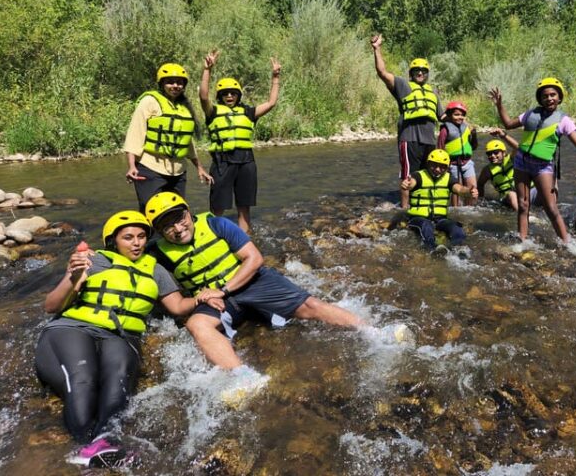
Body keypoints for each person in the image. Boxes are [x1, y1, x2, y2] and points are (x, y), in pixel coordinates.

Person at [34, 211, 217, 468]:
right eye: (128, 237)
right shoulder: (93, 260)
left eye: (141, 236)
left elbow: (177, 306)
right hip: (73, 329)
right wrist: (73, 277)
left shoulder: (155, 269)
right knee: (83, 378)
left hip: (121, 336)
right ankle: (88, 448)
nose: (137, 243)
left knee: (118, 382)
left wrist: (201, 297)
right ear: (114, 241)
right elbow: (52, 305)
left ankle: (102, 444)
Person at [144, 192, 365, 370]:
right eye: (167, 226)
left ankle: (372, 332)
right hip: (213, 300)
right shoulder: (158, 254)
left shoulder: (217, 224)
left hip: (251, 282)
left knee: (310, 306)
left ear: (188, 213)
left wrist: (223, 289)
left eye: (180, 219)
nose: (178, 228)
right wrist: (201, 297)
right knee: (196, 325)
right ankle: (242, 377)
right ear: (159, 231)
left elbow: (254, 258)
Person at [490, 79, 576, 242]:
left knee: (551, 208)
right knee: (523, 205)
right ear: (540, 98)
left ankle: (567, 242)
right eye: (545, 95)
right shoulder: (529, 114)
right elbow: (507, 123)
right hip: (521, 163)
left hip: (542, 167)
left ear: (559, 97)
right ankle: (522, 239)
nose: (549, 98)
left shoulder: (564, 120)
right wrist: (499, 105)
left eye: (553, 95)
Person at [199, 50, 281, 233]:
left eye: (233, 93)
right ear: (220, 96)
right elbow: (203, 96)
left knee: (244, 206)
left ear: (238, 95)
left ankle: (245, 239)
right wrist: (207, 70)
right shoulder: (212, 111)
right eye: (225, 93)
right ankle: (215, 237)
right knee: (218, 206)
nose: (229, 96)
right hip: (222, 162)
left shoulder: (248, 113)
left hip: (246, 162)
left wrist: (275, 77)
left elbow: (271, 103)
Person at [123, 63, 213, 210]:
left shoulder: (184, 107)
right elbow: (135, 133)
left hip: (178, 171)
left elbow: (186, 141)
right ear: (162, 83)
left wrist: (199, 167)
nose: (175, 85)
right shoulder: (149, 101)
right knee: (151, 211)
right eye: (170, 81)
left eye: (179, 82)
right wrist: (132, 165)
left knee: (176, 213)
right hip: (149, 167)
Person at [371, 34, 445, 208]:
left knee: (428, 175)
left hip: (429, 141)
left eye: (423, 70)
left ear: (427, 74)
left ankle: (423, 206)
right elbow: (382, 72)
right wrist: (377, 49)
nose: (420, 72)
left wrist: (461, 118)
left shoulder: (432, 93)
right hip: (409, 138)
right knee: (408, 175)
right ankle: (405, 210)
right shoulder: (403, 86)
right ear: (411, 73)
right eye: (416, 70)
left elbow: (442, 117)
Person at [401, 149, 478, 251]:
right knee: (426, 225)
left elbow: (459, 189)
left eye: (442, 166)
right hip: (418, 218)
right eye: (434, 165)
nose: (437, 169)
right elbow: (412, 183)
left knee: (457, 229)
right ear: (428, 164)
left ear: (446, 168)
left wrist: (469, 191)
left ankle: (458, 250)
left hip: (440, 219)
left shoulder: (448, 178)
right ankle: (431, 249)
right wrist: (407, 184)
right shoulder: (418, 176)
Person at [437, 101, 478, 206]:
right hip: (452, 164)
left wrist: (474, 135)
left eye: (462, 115)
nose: (460, 117)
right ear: (450, 115)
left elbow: (473, 146)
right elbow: (440, 148)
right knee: (456, 190)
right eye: (456, 115)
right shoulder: (445, 130)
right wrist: (443, 167)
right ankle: (456, 209)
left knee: (473, 189)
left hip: (467, 163)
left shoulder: (467, 128)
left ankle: (470, 208)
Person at [476, 128, 521, 211]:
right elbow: (480, 184)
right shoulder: (487, 170)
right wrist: (481, 201)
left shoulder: (512, 159)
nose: (492, 155)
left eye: (496, 152)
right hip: (507, 198)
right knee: (511, 194)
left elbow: (518, 147)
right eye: (489, 154)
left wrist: (503, 135)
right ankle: (524, 215)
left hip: (523, 193)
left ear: (504, 153)